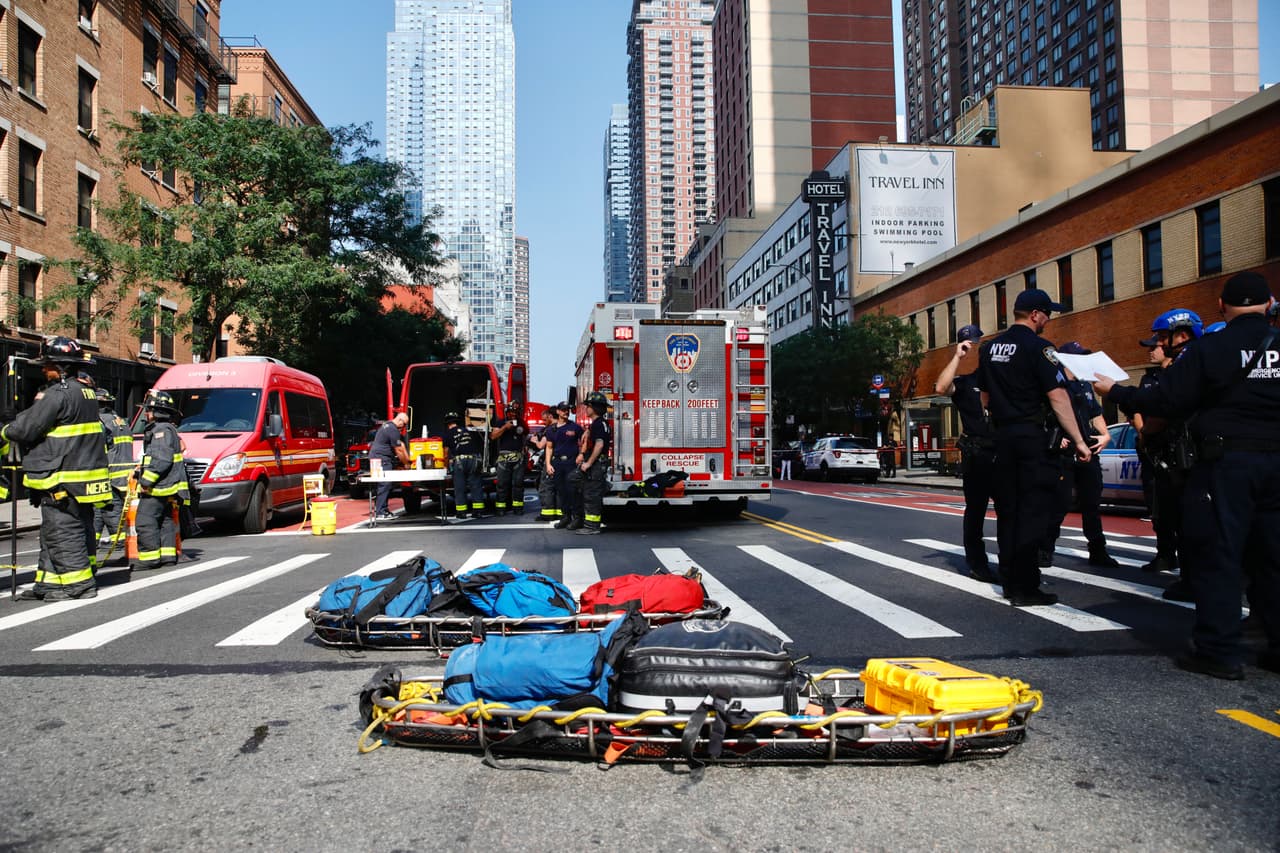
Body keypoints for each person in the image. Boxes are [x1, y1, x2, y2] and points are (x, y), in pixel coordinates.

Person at [1095, 271, 1280, 680]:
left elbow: (1165, 399)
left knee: (1219, 555)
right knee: (1273, 557)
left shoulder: (1211, 349)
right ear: (1269, 304)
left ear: (1221, 307)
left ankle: (1219, 650)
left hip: (1226, 463)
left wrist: (1115, 392)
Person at [976, 290, 1092, 606]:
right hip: (1031, 439)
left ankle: (1010, 580)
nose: (1048, 321)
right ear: (1036, 315)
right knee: (1032, 512)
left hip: (1002, 438)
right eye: (1047, 315)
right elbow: (1057, 397)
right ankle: (1026, 586)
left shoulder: (988, 349)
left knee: (1008, 512)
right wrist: (1080, 440)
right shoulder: (1040, 349)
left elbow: (984, 397)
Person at [2, 337, 110, 600]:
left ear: (60, 367)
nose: (42, 369)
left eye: (47, 364)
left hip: (61, 478)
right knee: (56, 531)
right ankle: (49, 584)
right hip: (79, 479)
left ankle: (78, 586)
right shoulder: (86, 392)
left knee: (64, 532)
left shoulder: (58, 394)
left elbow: (25, 428)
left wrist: (6, 430)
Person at [1133, 309, 1202, 601]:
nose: (1157, 345)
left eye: (1161, 339)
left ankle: (1193, 581)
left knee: (1189, 520)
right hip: (1188, 452)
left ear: (1182, 336)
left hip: (1188, 453)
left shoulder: (1188, 366)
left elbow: (1163, 411)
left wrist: (1146, 432)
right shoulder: (1198, 362)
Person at [1041, 341, 1119, 568]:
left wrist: (1105, 436)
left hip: (1088, 452)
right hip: (1064, 455)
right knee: (1059, 504)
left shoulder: (1084, 385)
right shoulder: (1055, 385)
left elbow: (1095, 414)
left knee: (1092, 504)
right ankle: (1045, 549)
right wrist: (1054, 438)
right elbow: (1044, 418)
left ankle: (1097, 550)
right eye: (1077, 357)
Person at [934, 323, 1001, 583]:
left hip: (1004, 452)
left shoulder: (1002, 383)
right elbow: (941, 388)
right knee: (976, 511)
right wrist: (957, 356)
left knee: (1009, 510)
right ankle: (977, 563)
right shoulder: (965, 382)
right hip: (977, 454)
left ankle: (1010, 562)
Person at [133, 390, 190, 570]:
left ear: (157, 412)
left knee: (145, 520)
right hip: (168, 486)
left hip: (159, 486)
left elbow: (161, 460)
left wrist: (146, 481)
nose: (146, 414)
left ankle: (149, 558)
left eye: (148, 410)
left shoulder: (160, 430)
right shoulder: (169, 429)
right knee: (165, 520)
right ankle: (167, 556)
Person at [94, 389, 134, 552]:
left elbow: (97, 450)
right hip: (124, 473)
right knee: (99, 509)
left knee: (110, 508)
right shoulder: (121, 420)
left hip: (108, 472)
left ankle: (118, 540)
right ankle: (92, 539)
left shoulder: (100, 422)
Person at [570, 391, 612, 535]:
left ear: (594, 408)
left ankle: (592, 526)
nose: (586, 408)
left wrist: (588, 463)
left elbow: (599, 445)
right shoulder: (599, 424)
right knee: (577, 482)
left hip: (596, 466)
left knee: (591, 495)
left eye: (588, 406)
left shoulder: (599, 424)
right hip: (597, 466)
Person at [444, 411, 485, 520]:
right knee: (476, 486)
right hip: (474, 460)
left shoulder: (448, 434)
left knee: (460, 487)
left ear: (447, 424)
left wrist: (445, 466)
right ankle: (478, 511)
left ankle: (461, 512)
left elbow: (446, 452)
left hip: (459, 461)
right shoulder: (468, 430)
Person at [369, 412, 410, 520]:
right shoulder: (393, 430)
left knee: (381, 485)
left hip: (375, 458)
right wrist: (406, 464)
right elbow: (399, 450)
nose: (404, 427)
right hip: (382, 459)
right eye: (404, 424)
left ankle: (383, 510)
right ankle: (381, 512)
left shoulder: (386, 424)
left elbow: (400, 445)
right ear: (400, 420)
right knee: (385, 484)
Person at [549, 402, 583, 529]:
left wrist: (582, 454)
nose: (566, 412)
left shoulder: (575, 427)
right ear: (558, 412)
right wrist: (548, 464)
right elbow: (549, 447)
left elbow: (585, 439)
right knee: (561, 491)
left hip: (571, 462)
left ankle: (577, 518)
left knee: (573, 491)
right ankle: (565, 517)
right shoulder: (552, 429)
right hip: (557, 463)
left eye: (567, 410)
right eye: (563, 410)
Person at [490, 402, 527, 515]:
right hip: (504, 458)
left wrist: (525, 447)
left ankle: (518, 508)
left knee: (518, 484)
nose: (514, 414)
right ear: (507, 412)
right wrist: (505, 427)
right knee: (502, 484)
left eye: (516, 412)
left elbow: (525, 435)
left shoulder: (522, 423)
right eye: (512, 412)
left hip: (519, 458)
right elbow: (493, 436)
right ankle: (501, 508)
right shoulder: (500, 422)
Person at [531, 407, 560, 522]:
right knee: (558, 488)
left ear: (550, 416)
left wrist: (534, 440)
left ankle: (547, 513)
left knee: (545, 487)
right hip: (562, 462)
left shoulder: (549, 430)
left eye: (544, 420)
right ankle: (559, 512)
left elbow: (541, 446)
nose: (544, 422)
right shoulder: (564, 427)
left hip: (551, 461)